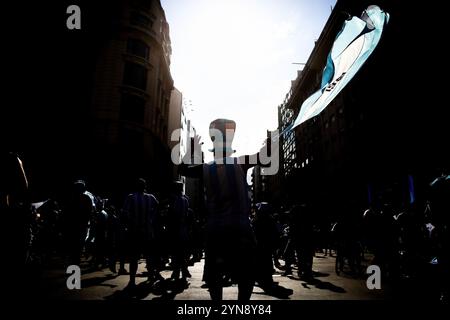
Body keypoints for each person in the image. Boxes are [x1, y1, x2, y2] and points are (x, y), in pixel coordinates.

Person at [179, 118, 269, 301]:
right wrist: (270, 141)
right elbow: (265, 157)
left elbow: (182, 168)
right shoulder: (241, 163)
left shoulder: (205, 168)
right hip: (240, 228)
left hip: (215, 230)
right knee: (246, 273)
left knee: (214, 274)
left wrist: (192, 148)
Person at [122, 178, 162, 289]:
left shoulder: (131, 197)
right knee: (149, 256)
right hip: (147, 231)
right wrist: (151, 220)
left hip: (134, 231)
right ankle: (150, 276)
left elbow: (125, 213)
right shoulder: (150, 197)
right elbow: (158, 210)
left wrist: (130, 223)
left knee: (134, 257)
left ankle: (132, 280)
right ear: (145, 186)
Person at [167, 180, 191, 283]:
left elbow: (173, 215)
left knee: (176, 254)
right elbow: (186, 215)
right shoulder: (185, 200)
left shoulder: (174, 200)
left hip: (176, 230)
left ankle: (178, 273)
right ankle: (183, 272)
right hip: (183, 230)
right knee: (182, 253)